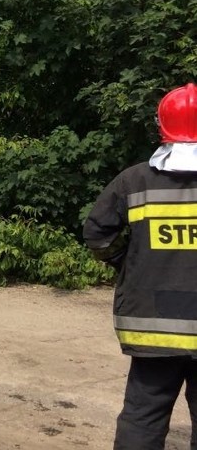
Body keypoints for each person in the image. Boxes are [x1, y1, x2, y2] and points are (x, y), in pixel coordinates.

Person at [83, 83, 197, 449]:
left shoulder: (133, 181)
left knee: (142, 418)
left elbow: (97, 235)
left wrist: (126, 264)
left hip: (152, 326)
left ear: (162, 126)